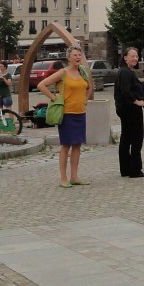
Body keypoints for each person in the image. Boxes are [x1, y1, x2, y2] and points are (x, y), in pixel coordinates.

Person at [38, 45, 94, 187]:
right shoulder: (62, 72)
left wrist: (85, 100)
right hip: (67, 114)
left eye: (79, 55)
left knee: (77, 145)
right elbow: (42, 85)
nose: (78, 57)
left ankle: (74, 176)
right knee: (66, 145)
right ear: (68, 58)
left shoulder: (83, 72)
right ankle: (63, 178)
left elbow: (89, 87)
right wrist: (54, 98)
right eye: (75, 55)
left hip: (80, 113)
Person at [115, 47, 144, 178]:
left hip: (126, 109)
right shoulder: (125, 72)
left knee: (126, 138)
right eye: (133, 56)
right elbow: (125, 91)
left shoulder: (128, 71)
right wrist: (136, 101)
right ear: (125, 58)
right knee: (136, 138)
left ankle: (126, 169)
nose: (135, 58)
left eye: (137, 56)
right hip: (130, 109)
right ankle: (134, 169)